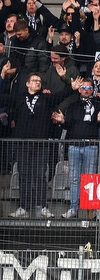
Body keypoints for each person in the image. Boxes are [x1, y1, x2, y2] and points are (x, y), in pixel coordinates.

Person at [0, 69, 80, 218]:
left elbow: (60, 95)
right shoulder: (19, 98)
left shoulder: (45, 98)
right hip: (23, 143)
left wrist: (72, 87)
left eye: (39, 81)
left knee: (40, 175)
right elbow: (3, 98)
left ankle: (42, 205)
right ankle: (23, 206)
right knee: (24, 175)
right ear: (27, 83)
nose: (38, 83)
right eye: (35, 81)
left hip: (40, 143)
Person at [54, 77, 100, 219]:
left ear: (93, 90)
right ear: (79, 89)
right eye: (84, 88)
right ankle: (73, 209)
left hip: (91, 145)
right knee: (74, 179)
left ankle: (91, 210)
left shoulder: (98, 104)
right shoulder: (72, 105)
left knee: (90, 179)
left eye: (90, 88)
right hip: (74, 146)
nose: (87, 90)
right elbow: (67, 124)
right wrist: (62, 120)